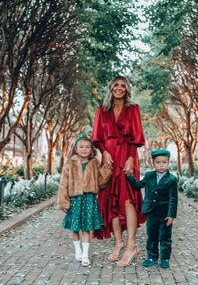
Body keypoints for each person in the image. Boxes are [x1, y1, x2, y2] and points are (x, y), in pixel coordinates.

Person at [92, 75, 145, 267]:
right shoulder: (102, 110)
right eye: (116, 85)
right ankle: (118, 242)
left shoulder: (133, 109)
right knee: (111, 200)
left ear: (127, 89)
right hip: (109, 158)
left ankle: (131, 245)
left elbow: (137, 137)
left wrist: (131, 157)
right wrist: (104, 153)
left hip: (127, 156)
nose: (119, 88)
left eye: (123, 85)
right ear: (111, 87)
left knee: (128, 199)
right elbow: (97, 137)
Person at [57, 135, 112, 267]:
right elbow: (63, 183)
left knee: (87, 228)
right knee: (75, 228)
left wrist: (107, 171)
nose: (84, 149)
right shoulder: (69, 163)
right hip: (75, 200)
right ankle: (78, 251)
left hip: (89, 199)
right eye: (81, 147)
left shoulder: (94, 163)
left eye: (87, 147)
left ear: (91, 149)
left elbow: (100, 181)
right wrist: (63, 201)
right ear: (76, 149)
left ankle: (85, 255)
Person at [126, 149, 178, 269]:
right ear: (153, 163)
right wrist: (129, 176)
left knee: (165, 237)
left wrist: (171, 215)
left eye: (164, 162)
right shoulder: (149, 176)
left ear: (168, 162)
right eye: (158, 162)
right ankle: (152, 257)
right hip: (152, 213)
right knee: (152, 235)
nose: (161, 165)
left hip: (165, 214)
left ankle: (164, 258)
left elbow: (173, 198)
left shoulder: (172, 179)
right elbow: (138, 185)